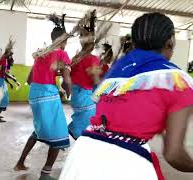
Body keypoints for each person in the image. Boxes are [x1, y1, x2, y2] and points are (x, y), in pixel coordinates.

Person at [59, 12, 193, 180]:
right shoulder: (177, 81)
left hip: (82, 156)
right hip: (125, 164)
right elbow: (174, 154)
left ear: (135, 43)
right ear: (170, 42)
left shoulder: (117, 71)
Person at [14, 14, 72, 180]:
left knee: (39, 129)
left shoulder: (41, 53)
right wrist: (68, 92)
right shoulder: (62, 54)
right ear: (63, 40)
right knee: (60, 134)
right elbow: (67, 80)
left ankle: (20, 162)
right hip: (48, 95)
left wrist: (52, 73)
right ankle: (45, 174)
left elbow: (30, 79)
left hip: (34, 94)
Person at [68, 10, 101, 140]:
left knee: (84, 117)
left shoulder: (76, 57)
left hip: (76, 95)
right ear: (92, 44)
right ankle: (76, 133)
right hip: (84, 96)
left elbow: (72, 76)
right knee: (91, 120)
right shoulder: (92, 59)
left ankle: (75, 130)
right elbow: (95, 80)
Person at [0, 38, 16, 123]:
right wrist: (13, 78)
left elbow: (3, 73)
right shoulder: (4, 60)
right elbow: (3, 72)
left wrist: (10, 78)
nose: (11, 55)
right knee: (4, 100)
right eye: (11, 53)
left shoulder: (3, 59)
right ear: (8, 53)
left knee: (4, 98)